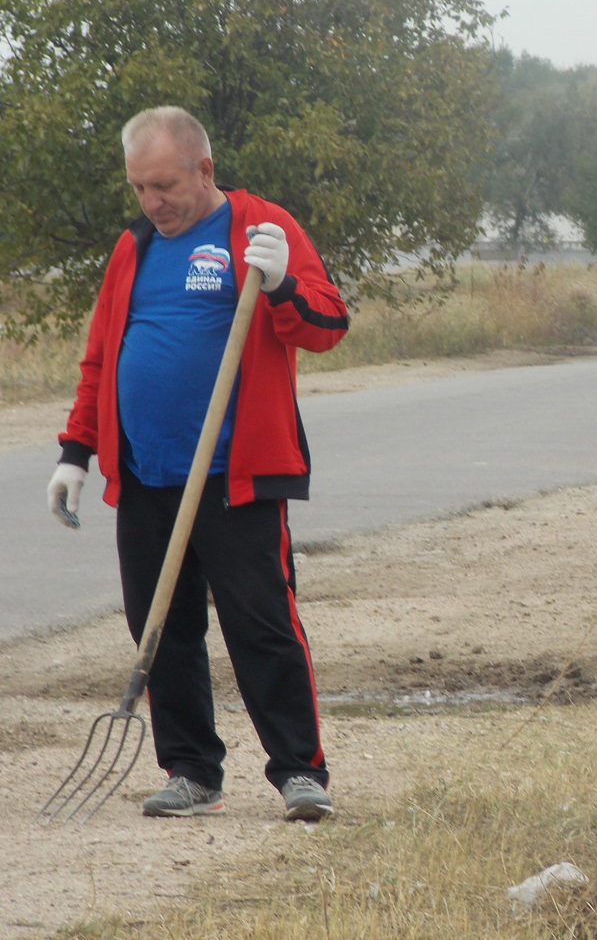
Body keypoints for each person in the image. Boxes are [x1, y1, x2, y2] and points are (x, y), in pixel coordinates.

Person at [45, 107, 349, 821]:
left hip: (233, 476)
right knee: (163, 625)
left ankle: (300, 771)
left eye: (165, 185)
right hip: (147, 475)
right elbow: (101, 358)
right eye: (140, 187)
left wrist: (279, 287)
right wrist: (76, 452)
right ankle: (191, 769)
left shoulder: (261, 228)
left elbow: (328, 324)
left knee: (261, 623)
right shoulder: (135, 247)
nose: (152, 201)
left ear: (204, 169)